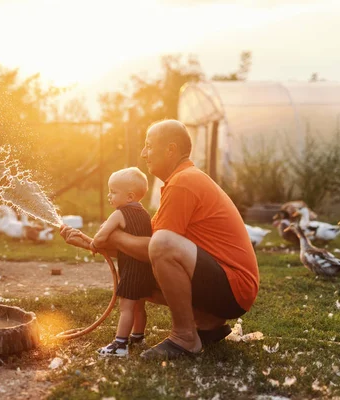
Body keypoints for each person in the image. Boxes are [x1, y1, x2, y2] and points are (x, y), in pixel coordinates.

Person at [60, 119, 259, 360]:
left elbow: (157, 248)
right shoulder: (180, 181)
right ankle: (208, 324)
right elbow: (144, 251)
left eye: (149, 146)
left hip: (234, 287)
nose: (144, 153)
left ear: (171, 150)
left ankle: (185, 337)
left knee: (163, 244)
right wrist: (88, 241)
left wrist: (116, 235)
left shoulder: (184, 182)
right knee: (138, 277)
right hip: (226, 288)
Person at [89, 167, 158, 357]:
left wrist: (94, 243)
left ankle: (120, 345)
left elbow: (102, 236)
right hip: (145, 268)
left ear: (129, 197)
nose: (109, 196)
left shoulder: (119, 214)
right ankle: (138, 337)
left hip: (131, 269)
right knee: (139, 306)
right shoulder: (145, 214)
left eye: (113, 191)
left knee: (126, 308)